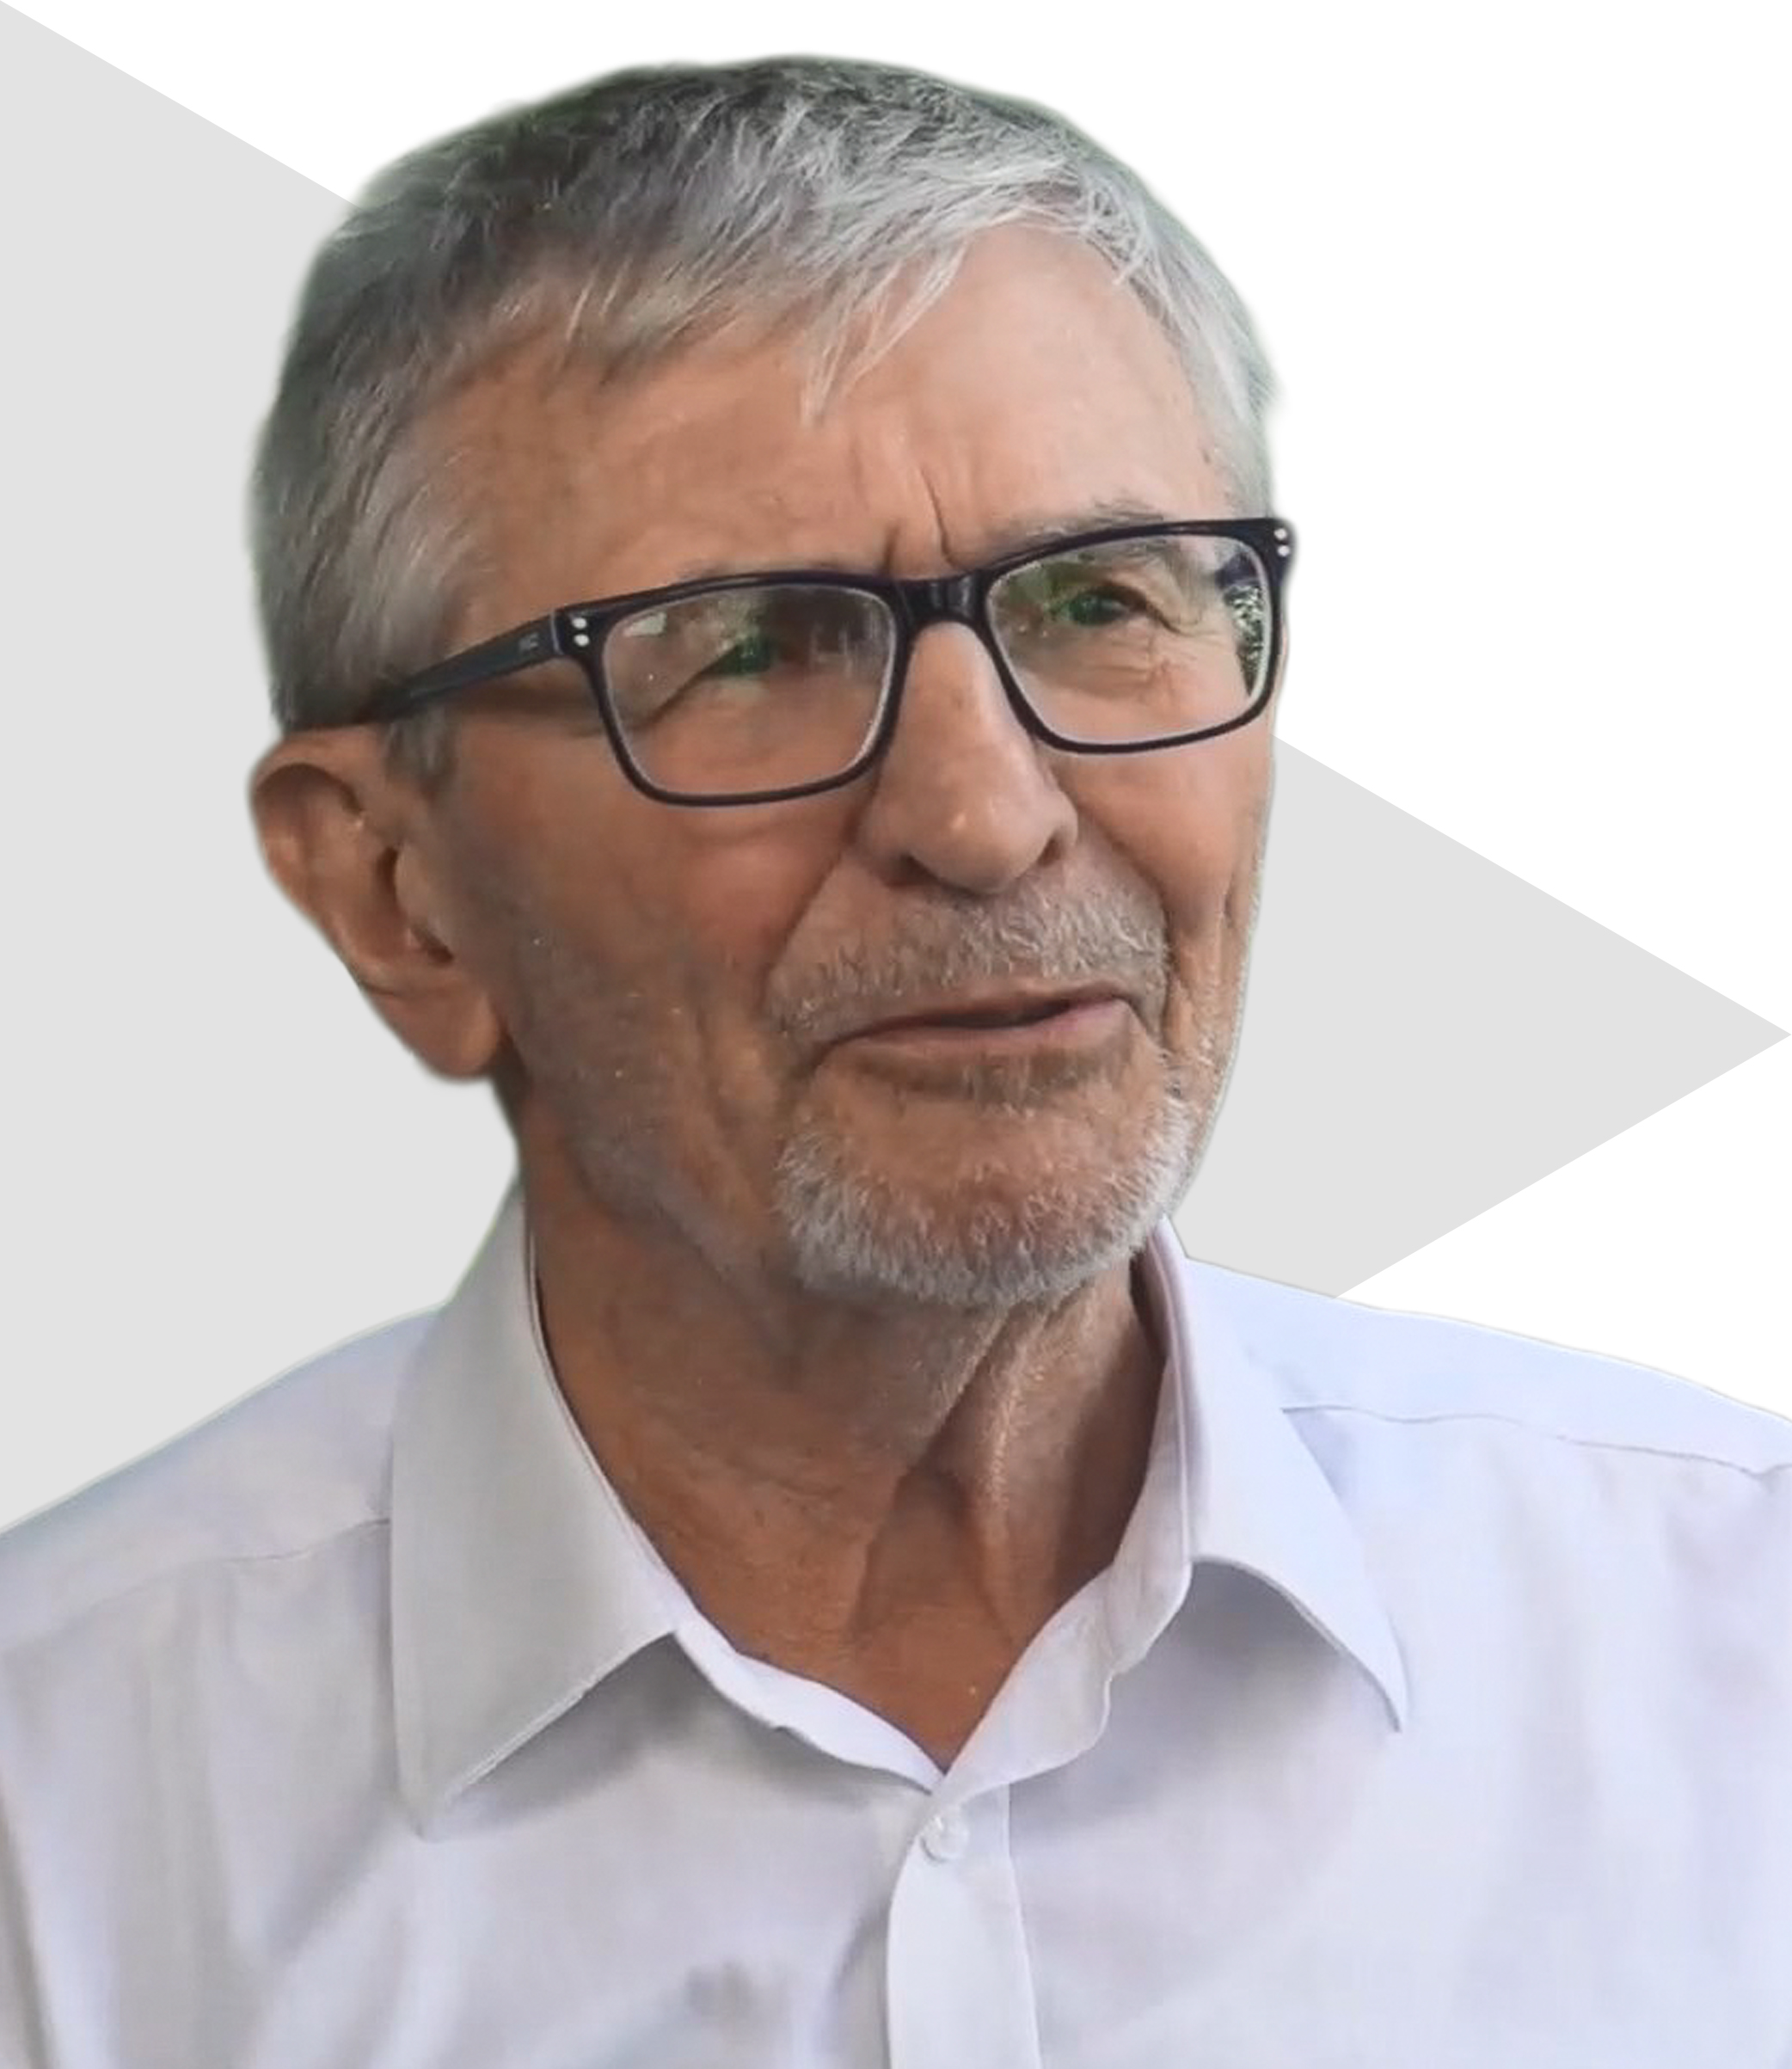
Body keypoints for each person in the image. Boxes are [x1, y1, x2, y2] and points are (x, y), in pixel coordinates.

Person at [1, 52, 1788, 2069]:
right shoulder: (57, 1828)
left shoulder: (1734, 1644)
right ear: (397, 892)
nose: (987, 816)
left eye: (1099, 600)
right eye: (751, 649)